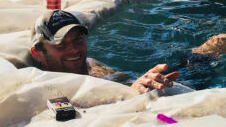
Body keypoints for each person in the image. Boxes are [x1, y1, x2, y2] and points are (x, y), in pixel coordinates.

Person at [30, 10, 179, 94]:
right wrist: (128, 94)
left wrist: (144, 83)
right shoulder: (41, 88)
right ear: (37, 53)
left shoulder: (91, 64)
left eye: (78, 39)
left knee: (191, 62)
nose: (74, 49)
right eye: (61, 44)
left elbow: (124, 80)